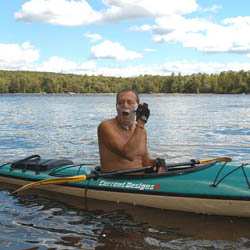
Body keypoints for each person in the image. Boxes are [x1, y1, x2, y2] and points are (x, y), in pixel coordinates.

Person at [97, 88, 167, 173]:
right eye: (120, 103)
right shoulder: (106, 126)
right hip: (116, 180)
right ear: (116, 107)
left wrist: (157, 162)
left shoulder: (142, 131)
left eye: (130, 102)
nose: (125, 105)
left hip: (140, 180)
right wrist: (141, 123)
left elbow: (145, 162)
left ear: (138, 107)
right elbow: (129, 154)